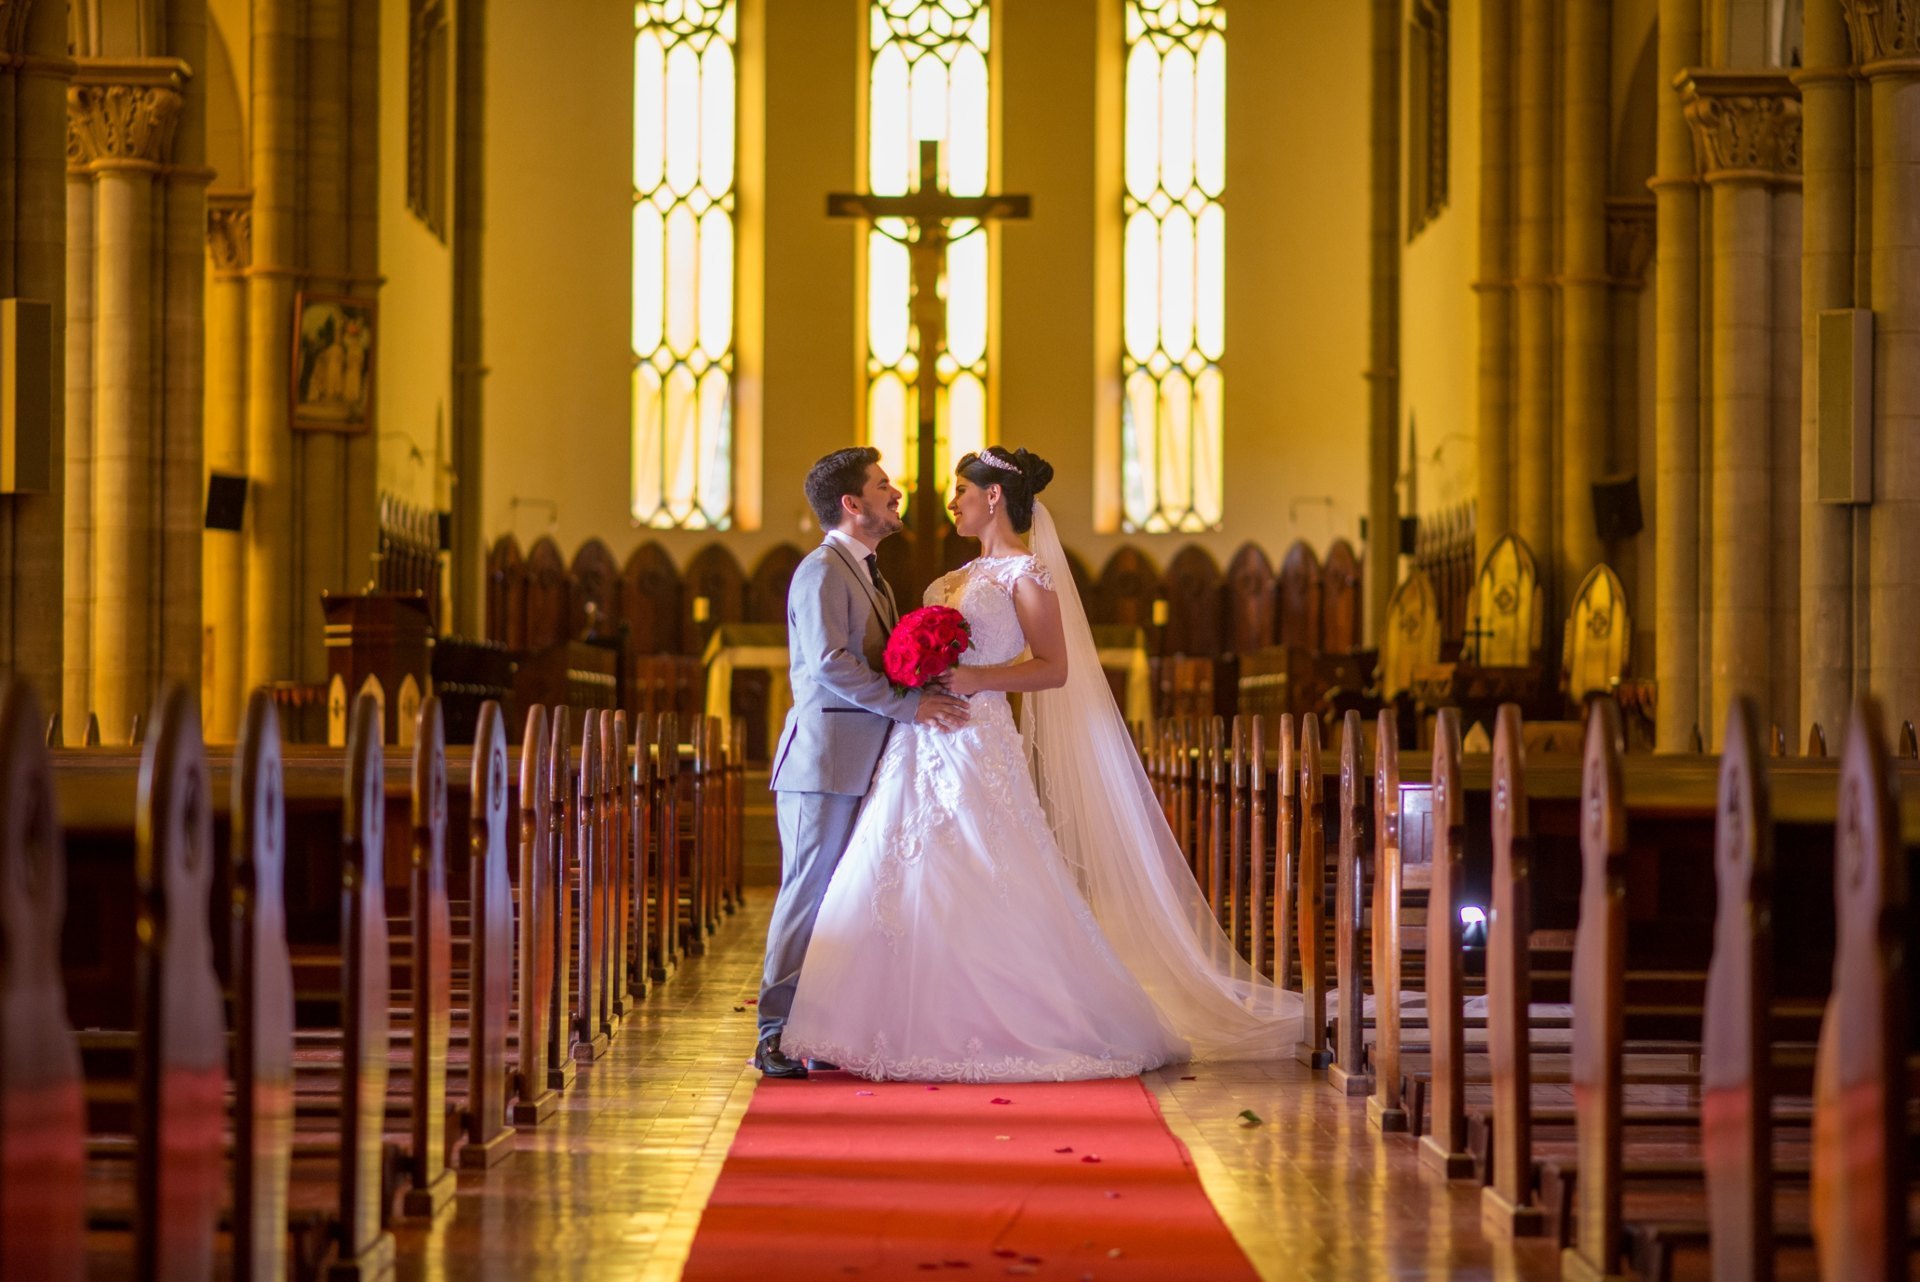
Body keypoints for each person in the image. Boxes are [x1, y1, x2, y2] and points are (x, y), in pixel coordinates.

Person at [782, 446, 1301, 1082]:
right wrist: (916, 688)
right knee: (892, 876)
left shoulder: (1029, 573)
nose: (948, 502)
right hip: (917, 742)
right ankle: (864, 1022)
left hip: (977, 738)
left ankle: (998, 1019)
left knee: (989, 871)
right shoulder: (943, 580)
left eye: (961, 492)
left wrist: (974, 678)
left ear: (993, 497)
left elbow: (1053, 668)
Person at [754, 447, 970, 1079]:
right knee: (808, 893)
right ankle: (775, 1031)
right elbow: (829, 664)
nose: (896, 493)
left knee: (843, 901)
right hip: (824, 762)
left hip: (864, 757)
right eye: (883, 487)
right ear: (852, 504)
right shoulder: (822, 571)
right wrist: (912, 705)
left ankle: (821, 1024)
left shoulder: (872, 573)